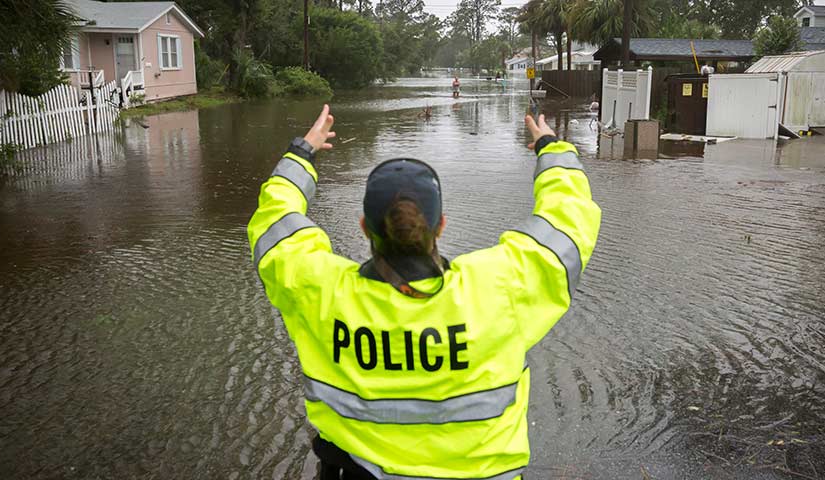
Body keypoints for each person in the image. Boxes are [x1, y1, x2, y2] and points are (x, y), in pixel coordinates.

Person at [247, 105, 602, 480]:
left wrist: (301, 153)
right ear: (442, 225)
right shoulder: (500, 289)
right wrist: (552, 149)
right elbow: (569, 218)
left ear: (365, 228)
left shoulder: (317, 289)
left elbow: (276, 220)